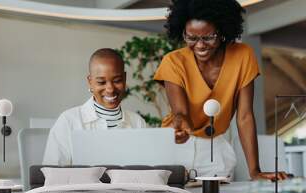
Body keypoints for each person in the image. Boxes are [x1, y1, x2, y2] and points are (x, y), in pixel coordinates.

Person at [154, 0, 287, 180]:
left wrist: (255, 171)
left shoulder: (243, 55)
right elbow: (180, 112)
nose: (200, 45)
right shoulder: (173, 62)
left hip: (215, 145)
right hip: (177, 145)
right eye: (191, 38)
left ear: (222, 32)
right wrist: (180, 126)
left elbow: (245, 116)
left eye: (208, 37)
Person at [43, 48, 146, 165]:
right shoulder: (68, 121)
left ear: (125, 79)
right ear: (90, 82)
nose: (110, 89)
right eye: (101, 82)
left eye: (117, 80)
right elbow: (52, 174)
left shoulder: (138, 123)